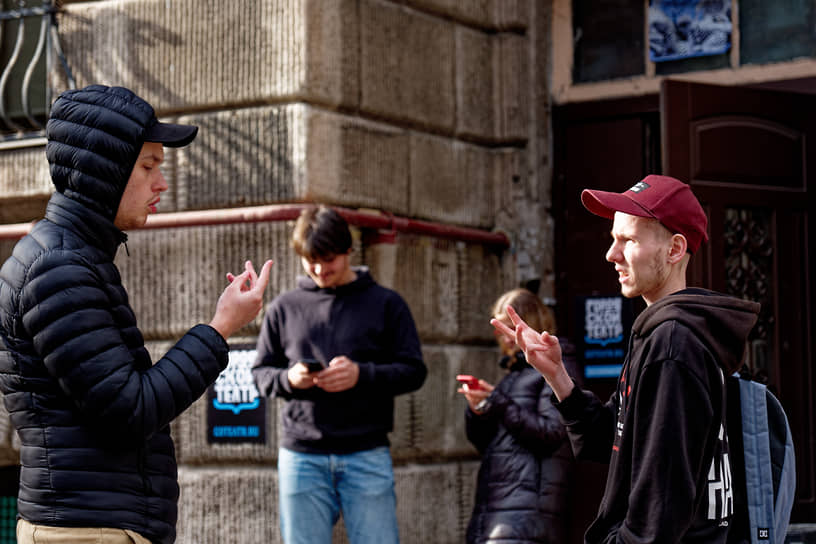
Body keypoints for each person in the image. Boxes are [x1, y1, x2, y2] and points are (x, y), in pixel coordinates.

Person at [0, 85, 273, 544]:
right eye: (148, 166)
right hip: (88, 531)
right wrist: (219, 327)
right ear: (102, 171)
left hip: (91, 522)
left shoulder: (71, 258)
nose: (161, 184)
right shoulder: (59, 268)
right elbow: (130, 408)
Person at [492, 175, 761, 543]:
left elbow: (657, 517)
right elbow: (612, 440)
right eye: (612, 239)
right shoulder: (664, 334)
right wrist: (558, 376)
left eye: (628, 240)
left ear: (674, 249)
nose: (611, 255)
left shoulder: (672, 345)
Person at [252, 205, 427, 544]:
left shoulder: (387, 304)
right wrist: (291, 379)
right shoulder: (284, 308)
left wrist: (362, 375)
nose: (319, 270)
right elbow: (260, 374)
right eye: (310, 260)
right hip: (301, 455)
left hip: (367, 452)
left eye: (328, 259)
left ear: (349, 250)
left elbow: (415, 371)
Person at [459, 288, 574, 544]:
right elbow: (486, 443)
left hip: (527, 513)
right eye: (500, 328)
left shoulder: (556, 369)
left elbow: (552, 433)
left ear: (533, 324)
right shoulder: (514, 374)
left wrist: (498, 402)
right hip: (499, 510)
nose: (506, 337)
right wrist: (479, 408)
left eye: (511, 327)